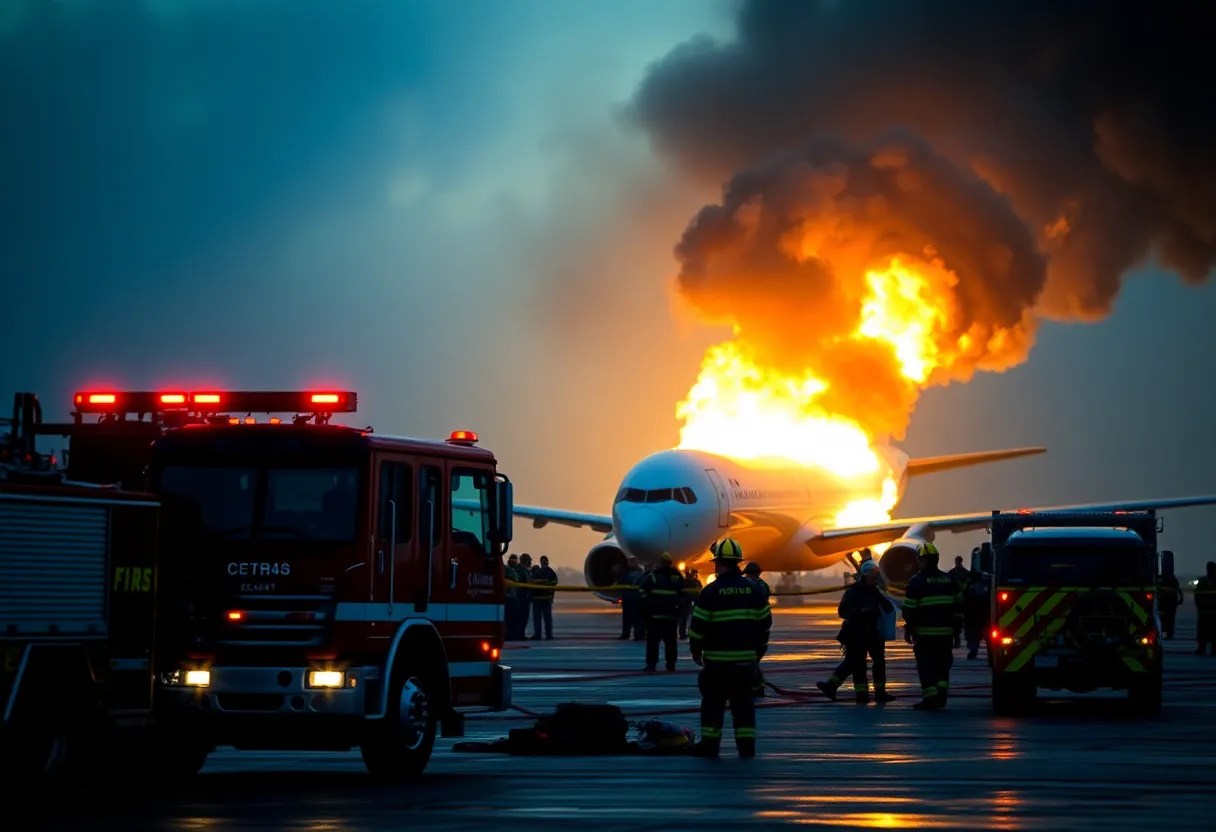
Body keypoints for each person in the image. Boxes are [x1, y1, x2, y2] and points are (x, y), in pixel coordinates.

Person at [688, 537, 771, 758]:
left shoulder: (711, 592)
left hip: (716, 663)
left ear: (719, 563)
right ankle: (746, 749)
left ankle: (710, 747)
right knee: (744, 706)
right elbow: (765, 623)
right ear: (737, 562)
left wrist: (695, 651)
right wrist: (759, 651)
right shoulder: (754, 590)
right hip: (745, 663)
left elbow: (697, 627)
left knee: (713, 706)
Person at [817, 559, 896, 703]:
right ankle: (860, 694)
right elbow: (842, 611)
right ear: (867, 574)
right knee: (856, 663)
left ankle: (880, 693)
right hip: (856, 633)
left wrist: (885, 593)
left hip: (872, 632)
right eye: (874, 574)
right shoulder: (854, 592)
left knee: (879, 662)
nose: (875, 577)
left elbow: (889, 608)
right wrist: (860, 612)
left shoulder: (875, 591)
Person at [902, 541, 964, 710]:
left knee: (926, 666)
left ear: (921, 561)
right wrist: (956, 632)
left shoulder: (916, 582)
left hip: (925, 635)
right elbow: (959, 609)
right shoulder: (949, 580)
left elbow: (909, 610)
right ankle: (941, 693)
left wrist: (909, 629)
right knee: (943, 665)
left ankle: (930, 699)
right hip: (946, 634)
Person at [640, 553, 685, 671]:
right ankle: (671, 664)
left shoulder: (653, 576)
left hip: (655, 615)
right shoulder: (676, 576)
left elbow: (643, 591)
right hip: (670, 615)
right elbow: (683, 592)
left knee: (653, 642)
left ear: (660, 562)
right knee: (670, 642)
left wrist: (646, 608)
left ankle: (651, 664)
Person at [743, 562, 771, 697]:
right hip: (762, 627)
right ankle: (757, 685)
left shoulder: (752, 587)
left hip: (754, 629)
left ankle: (757, 686)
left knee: (752, 659)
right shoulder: (763, 585)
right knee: (754, 659)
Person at [963, 549, 990, 660]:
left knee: (975, 633)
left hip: (975, 611)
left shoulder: (970, 579)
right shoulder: (985, 579)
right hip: (979, 611)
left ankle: (974, 650)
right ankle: (977, 649)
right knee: (980, 632)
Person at [530, 555, 558, 640]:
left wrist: (546, 585)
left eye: (545, 561)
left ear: (547, 562)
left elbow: (555, 581)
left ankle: (548, 634)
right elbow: (531, 582)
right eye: (542, 561)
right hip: (537, 599)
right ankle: (538, 634)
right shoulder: (536, 572)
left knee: (547, 618)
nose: (544, 563)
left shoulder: (550, 572)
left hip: (546, 599)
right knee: (537, 619)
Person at [619, 558, 646, 641]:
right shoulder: (627, 573)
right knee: (628, 618)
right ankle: (627, 634)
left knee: (637, 619)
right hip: (629, 599)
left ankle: (638, 634)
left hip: (635, 599)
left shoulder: (641, 573)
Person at [1156, 553, 1182, 640]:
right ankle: (1167, 633)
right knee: (1167, 618)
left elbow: (1177, 589)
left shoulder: (1167, 579)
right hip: (1167, 602)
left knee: (1167, 618)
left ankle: (1168, 633)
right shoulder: (1170, 579)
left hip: (1167, 602)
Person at [948, 556, 971, 648]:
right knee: (955, 625)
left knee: (958, 625)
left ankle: (957, 640)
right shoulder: (954, 573)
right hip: (955, 603)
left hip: (961, 603)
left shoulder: (960, 573)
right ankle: (956, 640)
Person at [1195, 561, 1216, 655]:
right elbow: (1197, 595)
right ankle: (1202, 647)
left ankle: (1212, 648)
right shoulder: (1202, 581)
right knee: (1202, 632)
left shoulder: (1203, 581)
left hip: (1210, 612)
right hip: (1204, 612)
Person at [504, 554, 525, 641]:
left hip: (515, 598)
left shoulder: (518, 570)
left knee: (515, 619)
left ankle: (515, 634)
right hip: (508, 598)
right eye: (511, 559)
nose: (512, 561)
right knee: (508, 618)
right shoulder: (506, 569)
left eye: (514, 560)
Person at [678, 568, 702, 639]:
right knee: (683, 619)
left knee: (693, 619)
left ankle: (691, 633)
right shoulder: (683, 582)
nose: (693, 575)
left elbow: (700, 590)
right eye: (691, 574)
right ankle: (682, 634)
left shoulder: (697, 582)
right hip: (685, 603)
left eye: (694, 574)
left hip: (695, 602)